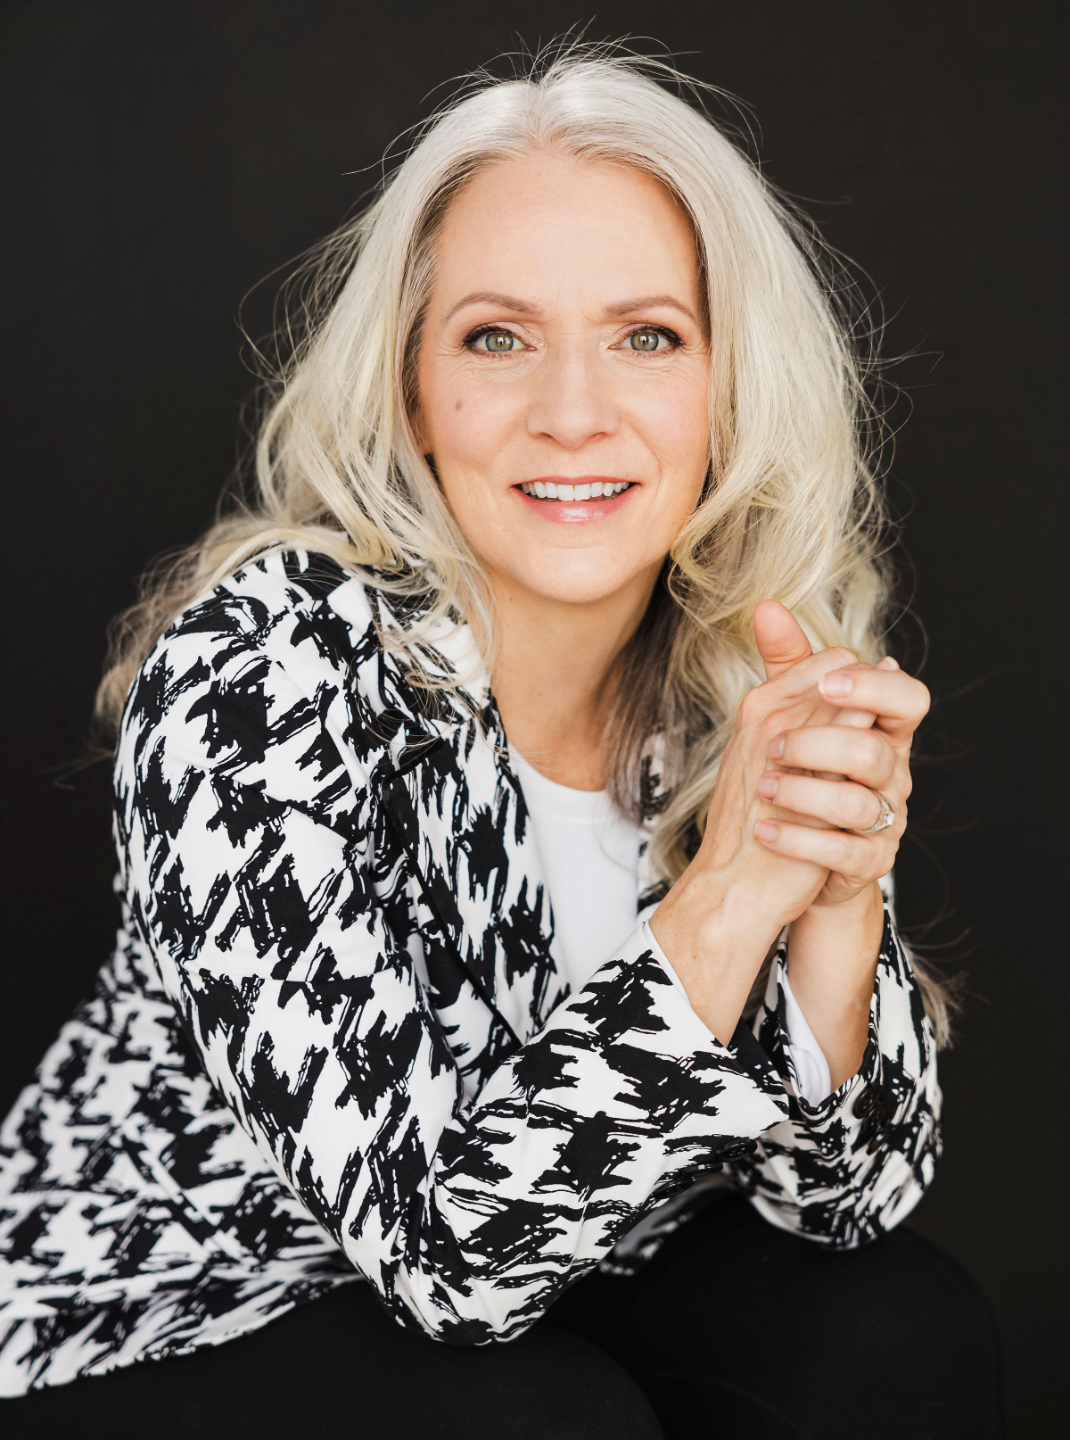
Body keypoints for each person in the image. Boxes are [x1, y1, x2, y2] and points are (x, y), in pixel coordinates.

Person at [0, 42, 1003, 1440]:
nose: (572, 412)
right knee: (533, 1417)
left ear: (726, 387)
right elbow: (447, 1264)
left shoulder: (737, 672)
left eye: (646, 336)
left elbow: (848, 1203)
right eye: (496, 337)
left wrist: (832, 896)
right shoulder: (263, 670)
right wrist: (727, 897)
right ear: (412, 388)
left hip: (564, 1277)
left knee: (893, 1329)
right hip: (172, 1319)